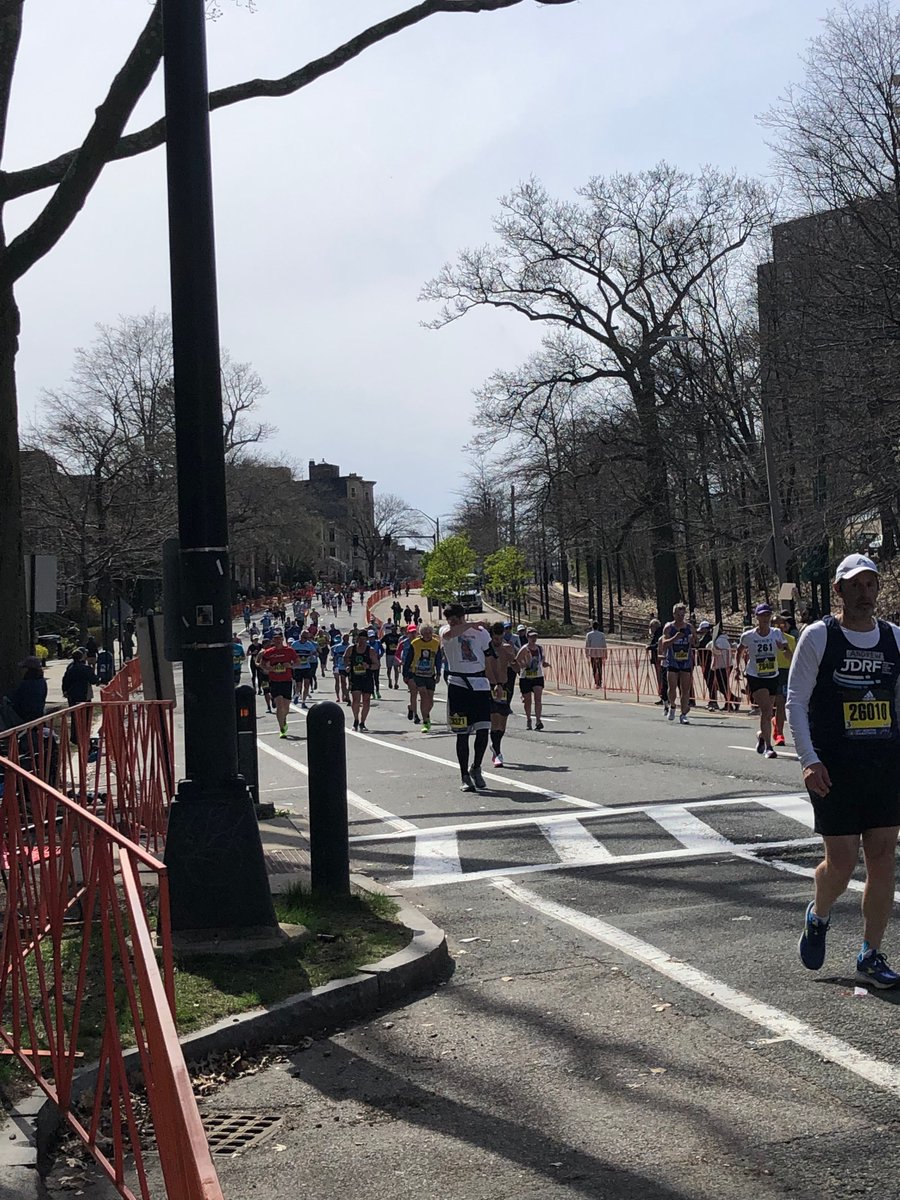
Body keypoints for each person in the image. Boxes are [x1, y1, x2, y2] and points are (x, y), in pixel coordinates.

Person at [788, 554, 900, 989]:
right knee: (841, 862)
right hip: (833, 767)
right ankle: (819, 914)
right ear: (839, 591)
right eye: (855, 585)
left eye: (870, 584)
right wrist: (808, 759)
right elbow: (796, 702)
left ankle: (869, 955)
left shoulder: (893, 638)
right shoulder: (820, 636)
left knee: (883, 857)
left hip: (883, 764)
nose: (864, 593)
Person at [440, 603, 493, 792]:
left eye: (456, 619)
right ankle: (464, 775)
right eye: (450, 620)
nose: (452, 623)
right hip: (458, 684)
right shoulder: (447, 631)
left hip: (479, 683)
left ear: (463, 616)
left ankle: (476, 767)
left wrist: (498, 683)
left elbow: (489, 656)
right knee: (462, 733)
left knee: (483, 729)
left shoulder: (479, 633)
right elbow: (449, 635)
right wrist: (467, 625)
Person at [738, 604, 789, 759]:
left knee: (768, 713)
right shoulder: (749, 635)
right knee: (767, 711)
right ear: (757, 617)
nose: (765, 618)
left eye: (768, 615)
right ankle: (769, 747)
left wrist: (783, 649)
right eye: (762, 615)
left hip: (772, 674)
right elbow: (740, 649)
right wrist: (736, 667)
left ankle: (762, 734)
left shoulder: (777, 633)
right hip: (755, 675)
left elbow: (789, 654)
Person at [487, 622, 519, 766]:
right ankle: (497, 752)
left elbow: (517, 669)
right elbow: (486, 669)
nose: (498, 641)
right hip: (491, 686)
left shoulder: (507, 648)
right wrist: (495, 685)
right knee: (494, 718)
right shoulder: (486, 649)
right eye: (495, 639)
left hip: (505, 686)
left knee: (502, 721)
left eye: (500, 638)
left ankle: (495, 745)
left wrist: (513, 659)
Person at [660, 604, 695, 724]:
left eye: (682, 615)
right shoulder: (669, 627)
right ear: (674, 614)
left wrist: (693, 640)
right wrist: (675, 638)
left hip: (685, 662)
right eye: (678, 615)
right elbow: (664, 644)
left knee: (685, 689)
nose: (681, 617)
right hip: (673, 662)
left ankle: (684, 714)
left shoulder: (689, 627)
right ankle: (673, 705)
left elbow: (696, 642)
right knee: (672, 688)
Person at [403, 624, 443, 731]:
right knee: (423, 696)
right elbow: (408, 659)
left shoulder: (435, 643)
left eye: (430, 633)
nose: (428, 635)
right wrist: (405, 674)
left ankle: (426, 714)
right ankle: (425, 721)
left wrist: (439, 673)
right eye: (425, 633)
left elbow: (438, 660)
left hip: (430, 675)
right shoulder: (415, 643)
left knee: (430, 701)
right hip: (418, 674)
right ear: (421, 634)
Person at [259, 631, 299, 737]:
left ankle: (283, 719)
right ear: (273, 641)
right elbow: (262, 664)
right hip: (275, 681)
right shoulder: (268, 652)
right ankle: (282, 729)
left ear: (282, 640)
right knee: (279, 704)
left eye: (279, 639)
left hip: (287, 680)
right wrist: (268, 668)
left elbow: (298, 662)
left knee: (286, 707)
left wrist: (289, 665)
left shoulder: (289, 651)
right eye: (275, 639)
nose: (277, 641)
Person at [772, 612, 797, 747]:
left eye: (781, 624)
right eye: (775, 624)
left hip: (784, 672)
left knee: (781, 703)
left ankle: (780, 733)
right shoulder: (766, 638)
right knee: (770, 704)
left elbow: (792, 658)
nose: (779, 627)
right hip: (770, 672)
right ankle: (775, 723)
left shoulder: (790, 639)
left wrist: (784, 649)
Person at [517, 630, 550, 730]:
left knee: (538, 699)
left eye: (535, 636)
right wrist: (523, 665)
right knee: (528, 701)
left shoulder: (540, 648)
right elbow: (517, 660)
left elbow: (542, 660)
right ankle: (528, 719)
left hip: (538, 676)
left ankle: (538, 721)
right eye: (532, 637)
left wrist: (545, 663)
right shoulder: (524, 648)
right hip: (526, 677)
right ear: (528, 637)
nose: (534, 639)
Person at [347, 630, 379, 731]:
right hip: (355, 677)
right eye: (360, 639)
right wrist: (347, 665)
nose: (362, 642)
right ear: (357, 639)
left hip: (367, 678)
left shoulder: (371, 650)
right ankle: (356, 720)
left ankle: (362, 722)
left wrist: (368, 666)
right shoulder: (351, 649)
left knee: (366, 700)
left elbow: (377, 665)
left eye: (364, 639)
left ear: (367, 640)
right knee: (356, 699)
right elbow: (345, 657)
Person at [8, 656, 48, 724]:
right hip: (38, 715)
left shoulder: (28, 684)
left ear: (29, 670)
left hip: (26, 717)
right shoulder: (42, 681)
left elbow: (18, 699)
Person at [290, 629, 319, 708]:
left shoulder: (309, 644)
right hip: (298, 667)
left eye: (306, 638)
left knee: (306, 684)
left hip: (306, 666)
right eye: (303, 637)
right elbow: (290, 654)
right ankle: (296, 695)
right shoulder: (294, 644)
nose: (305, 639)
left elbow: (315, 652)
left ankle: (303, 701)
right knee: (299, 685)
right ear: (300, 636)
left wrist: (313, 654)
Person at [584, 620, 607, 689]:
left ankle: (596, 682)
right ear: (598, 627)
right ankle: (600, 682)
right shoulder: (602, 634)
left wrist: (587, 653)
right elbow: (604, 645)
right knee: (599, 668)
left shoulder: (589, 634)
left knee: (594, 669)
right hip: (600, 653)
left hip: (592, 654)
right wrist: (605, 654)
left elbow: (587, 644)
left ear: (592, 627)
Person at [647, 619, 665, 706]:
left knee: (660, 678)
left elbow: (658, 644)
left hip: (659, 659)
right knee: (659, 678)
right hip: (656, 659)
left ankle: (663, 696)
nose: (650, 628)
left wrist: (650, 647)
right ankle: (662, 696)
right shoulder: (657, 633)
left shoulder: (659, 633)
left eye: (651, 626)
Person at [381, 622, 402, 690]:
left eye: (395, 628)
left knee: (396, 669)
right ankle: (389, 680)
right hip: (389, 654)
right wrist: (381, 650)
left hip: (396, 655)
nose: (394, 630)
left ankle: (396, 683)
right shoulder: (387, 636)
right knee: (389, 669)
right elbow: (380, 642)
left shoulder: (399, 636)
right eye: (393, 628)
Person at [332, 633, 351, 704]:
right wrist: (335, 664)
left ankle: (346, 693)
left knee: (350, 683)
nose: (346, 640)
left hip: (349, 666)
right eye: (345, 638)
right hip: (341, 666)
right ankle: (346, 696)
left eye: (347, 638)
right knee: (343, 682)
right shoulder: (338, 647)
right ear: (342, 638)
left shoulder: (350, 647)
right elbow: (335, 657)